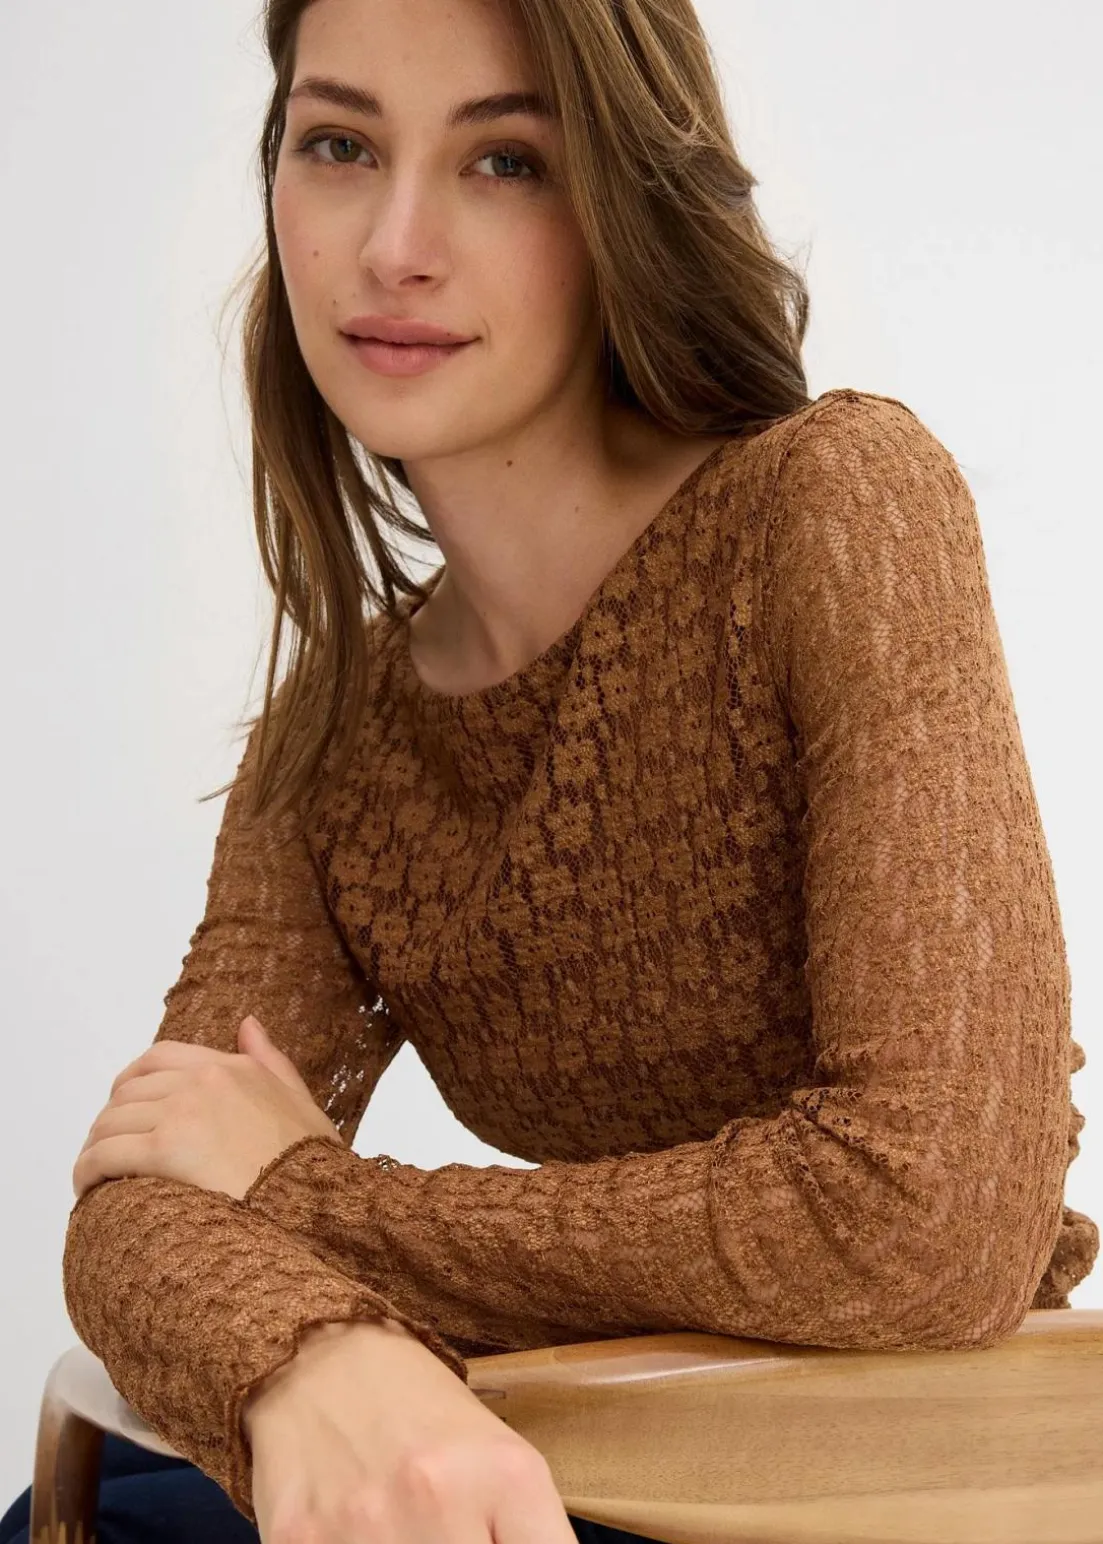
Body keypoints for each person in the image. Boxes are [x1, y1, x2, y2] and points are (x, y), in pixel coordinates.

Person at [4, 0, 1097, 1539]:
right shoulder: (338, 738)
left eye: (504, 161)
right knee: (100, 1507)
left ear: (624, 205)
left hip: (894, 1476)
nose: (392, 247)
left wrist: (318, 1208)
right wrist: (319, 1360)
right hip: (598, 1453)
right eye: (338, 145)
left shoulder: (829, 511)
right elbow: (144, 1194)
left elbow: (928, 1220)